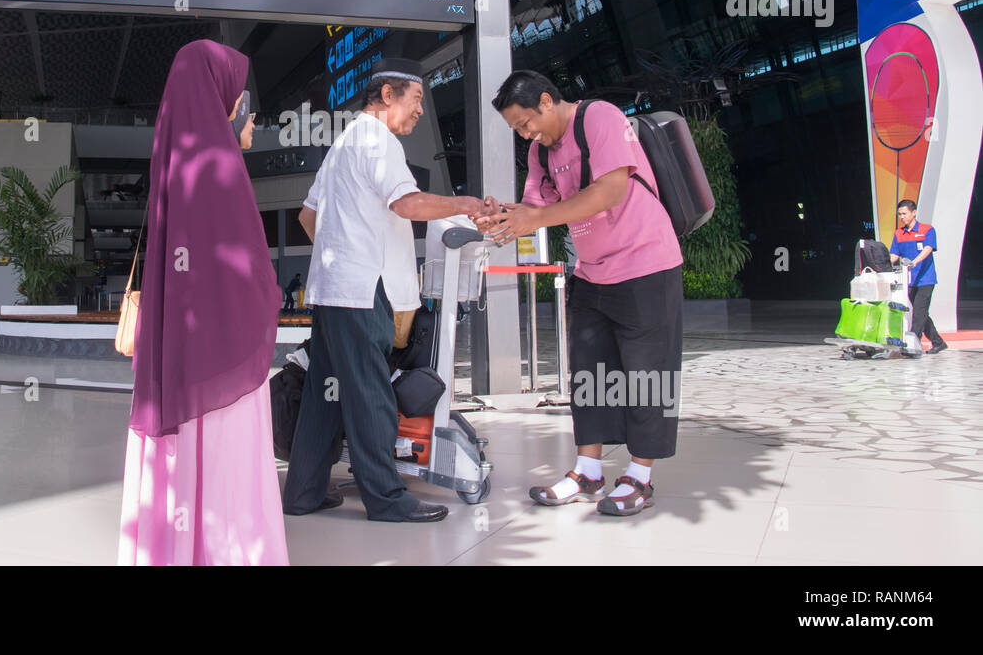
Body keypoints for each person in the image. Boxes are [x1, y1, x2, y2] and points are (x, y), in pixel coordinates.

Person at [282, 57, 492, 524]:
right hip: (363, 292)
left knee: (325, 393)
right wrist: (465, 203)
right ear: (387, 95)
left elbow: (307, 217)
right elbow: (407, 202)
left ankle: (303, 493)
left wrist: (343, 251)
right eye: (416, 99)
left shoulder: (342, 143)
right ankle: (387, 500)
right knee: (371, 393)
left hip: (335, 289)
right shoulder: (378, 139)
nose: (419, 111)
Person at [478, 70, 684, 517]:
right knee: (589, 375)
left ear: (548, 102)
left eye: (525, 122)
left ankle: (639, 478)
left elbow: (610, 191)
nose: (524, 133)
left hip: (646, 263)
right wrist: (505, 217)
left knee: (646, 375)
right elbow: (535, 209)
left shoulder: (600, 118)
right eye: (516, 128)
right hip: (591, 272)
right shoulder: (539, 151)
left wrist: (537, 218)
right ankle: (588, 472)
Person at [120, 40, 287, 565]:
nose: (250, 118)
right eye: (242, 102)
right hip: (223, 374)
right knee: (225, 462)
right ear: (222, 102)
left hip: (180, 367)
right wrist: (272, 297)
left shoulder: (176, 163)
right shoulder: (222, 174)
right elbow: (248, 277)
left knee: (185, 463)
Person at [890, 199, 948, 355]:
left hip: (926, 279)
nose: (902, 217)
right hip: (909, 280)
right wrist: (881, 265)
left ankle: (913, 344)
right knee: (921, 313)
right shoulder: (899, 233)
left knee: (918, 313)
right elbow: (894, 254)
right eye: (900, 214)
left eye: (904, 213)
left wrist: (915, 261)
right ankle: (938, 342)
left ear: (913, 212)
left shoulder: (927, 229)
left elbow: (928, 248)